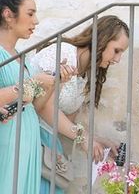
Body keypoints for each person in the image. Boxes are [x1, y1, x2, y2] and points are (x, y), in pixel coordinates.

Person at [30, 15, 130, 193]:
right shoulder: (62, 54)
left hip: (50, 144)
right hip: (31, 138)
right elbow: (45, 107)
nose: (118, 59)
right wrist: (84, 140)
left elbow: (66, 122)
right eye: (117, 50)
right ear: (102, 40)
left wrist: (97, 140)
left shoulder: (87, 73)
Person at [0, 0, 55, 194]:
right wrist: (32, 83)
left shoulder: (21, 56)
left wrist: (52, 82)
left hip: (28, 137)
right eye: (30, 14)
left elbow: (34, 104)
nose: (36, 21)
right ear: (8, 15)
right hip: (8, 138)